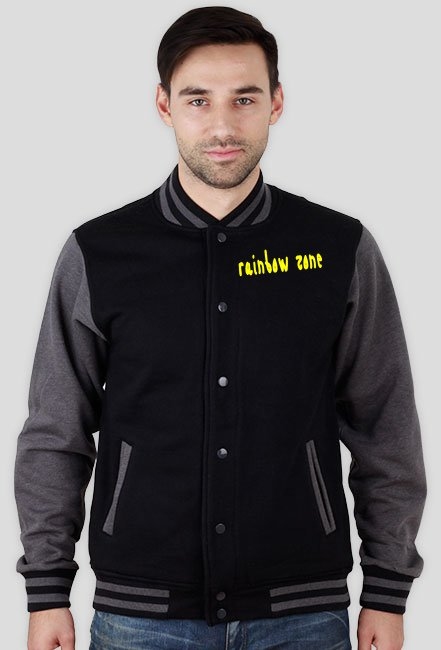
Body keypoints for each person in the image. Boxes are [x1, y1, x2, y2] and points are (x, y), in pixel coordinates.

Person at [14, 6, 427, 650]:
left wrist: (387, 588)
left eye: (245, 98)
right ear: (164, 104)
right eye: (198, 99)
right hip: (140, 617)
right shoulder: (99, 253)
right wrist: (47, 590)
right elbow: (55, 431)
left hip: (303, 614)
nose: (223, 125)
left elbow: (385, 424)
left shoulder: (337, 249)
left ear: (277, 103)